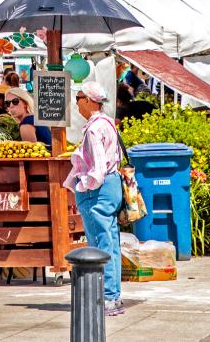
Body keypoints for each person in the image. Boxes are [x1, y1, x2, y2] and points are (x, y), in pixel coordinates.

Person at [63, 82, 125, 317]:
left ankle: (107, 297)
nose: (76, 102)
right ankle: (114, 295)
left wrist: (82, 185)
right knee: (111, 242)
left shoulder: (93, 130)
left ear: (89, 100)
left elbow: (97, 169)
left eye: (78, 97)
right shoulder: (108, 123)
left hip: (97, 191)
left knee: (100, 243)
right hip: (112, 186)